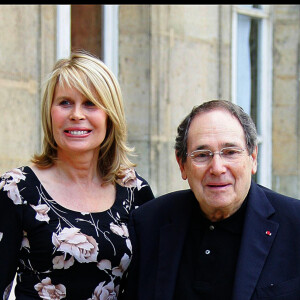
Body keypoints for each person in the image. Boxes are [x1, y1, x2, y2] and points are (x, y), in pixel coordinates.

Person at [0, 50, 154, 300]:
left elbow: (153, 281)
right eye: (65, 103)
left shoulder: (134, 190)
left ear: (110, 115)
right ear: (50, 114)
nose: (77, 115)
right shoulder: (16, 189)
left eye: (90, 103)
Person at [121, 100, 300, 300]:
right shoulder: (149, 223)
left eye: (230, 152)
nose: (217, 168)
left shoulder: (295, 223)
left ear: (253, 158)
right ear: (182, 164)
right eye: (202, 155)